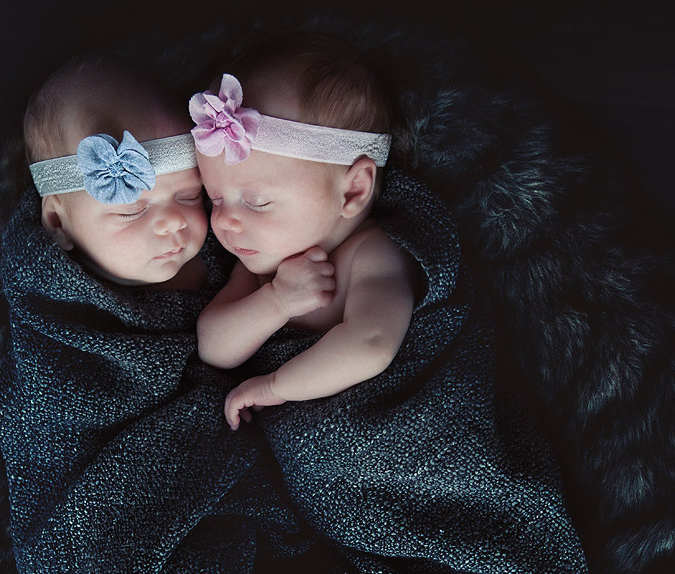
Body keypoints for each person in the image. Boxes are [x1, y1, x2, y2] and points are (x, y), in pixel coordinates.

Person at [192, 34, 423, 428]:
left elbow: (371, 345)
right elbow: (214, 348)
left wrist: (276, 387)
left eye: (257, 201)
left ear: (353, 190)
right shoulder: (258, 266)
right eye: (214, 198)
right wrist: (276, 301)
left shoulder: (371, 255)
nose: (225, 222)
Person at [24, 54, 208, 289]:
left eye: (191, 197)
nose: (174, 221)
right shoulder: (54, 304)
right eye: (132, 211)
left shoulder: (228, 248)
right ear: (58, 222)